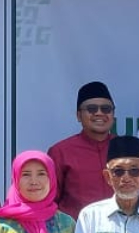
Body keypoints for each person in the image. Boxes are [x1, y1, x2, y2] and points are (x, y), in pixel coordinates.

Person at [48, 81, 116, 219]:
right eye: (91, 109)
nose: (99, 113)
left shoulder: (123, 148)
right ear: (79, 116)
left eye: (106, 109)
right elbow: (49, 200)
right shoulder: (61, 152)